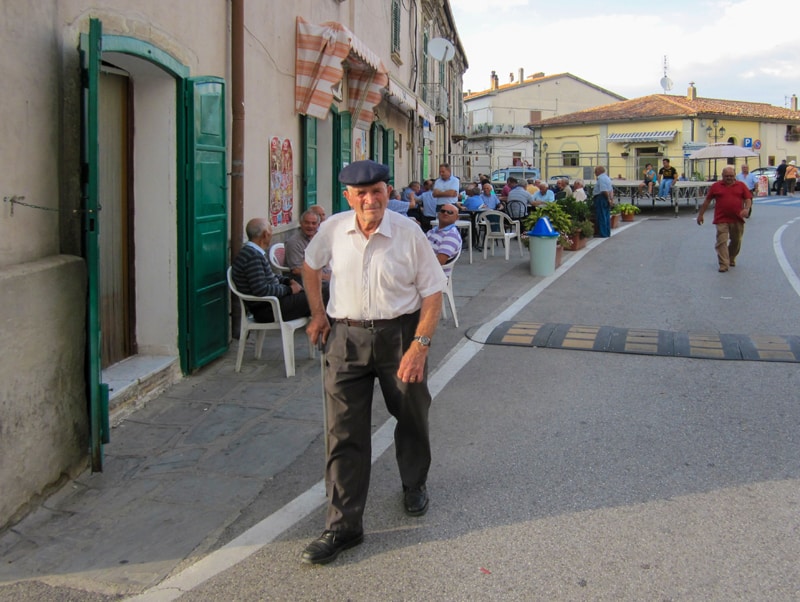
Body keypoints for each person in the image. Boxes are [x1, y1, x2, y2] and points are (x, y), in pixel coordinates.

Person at [300, 160, 446, 565]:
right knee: (343, 431)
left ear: (388, 191)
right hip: (345, 338)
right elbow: (310, 266)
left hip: (399, 336)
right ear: (348, 196)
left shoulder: (408, 232)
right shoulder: (333, 229)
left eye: (377, 190)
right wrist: (317, 313)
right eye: (361, 193)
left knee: (411, 413)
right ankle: (344, 527)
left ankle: (414, 483)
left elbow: (433, 292)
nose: (370, 199)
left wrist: (419, 345)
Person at [231, 218, 311, 322]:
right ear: (265, 234)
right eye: (270, 231)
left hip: (273, 303)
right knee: (319, 296)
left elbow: (270, 276)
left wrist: (288, 281)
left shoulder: (253, 252)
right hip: (268, 309)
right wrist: (290, 289)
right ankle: (331, 335)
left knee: (316, 290)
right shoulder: (252, 256)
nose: (271, 235)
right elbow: (262, 290)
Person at [696, 166, 752, 272]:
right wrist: (700, 215)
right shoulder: (716, 186)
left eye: (731, 176)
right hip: (721, 219)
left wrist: (746, 208)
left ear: (735, 176)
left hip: (737, 218)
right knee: (721, 241)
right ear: (722, 176)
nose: (729, 178)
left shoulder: (741, 185)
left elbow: (748, 198)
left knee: (736, 241)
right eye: (727, 176)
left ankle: (731, 257)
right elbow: (707, 201)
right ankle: (723, 264)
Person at [426, 203, 462, 277]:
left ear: (457, 217)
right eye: (443, 211)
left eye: (450, 212)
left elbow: (439, 262)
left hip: (433, 276)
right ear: (438, 214)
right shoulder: (433, 231)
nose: (445, 213)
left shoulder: (451, 235)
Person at [593, 165, 614, 237]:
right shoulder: (607, 178)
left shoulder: (601, 178)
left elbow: (604, 190)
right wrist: (611, 199)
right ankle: (607, 232)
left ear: (598, 171)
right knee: (606, 215)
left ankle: (603, 233)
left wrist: (608, 199)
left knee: (601, 216)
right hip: (605, 198)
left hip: (601, 198)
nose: (594, 173)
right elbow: (611, 190)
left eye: (595, 171)